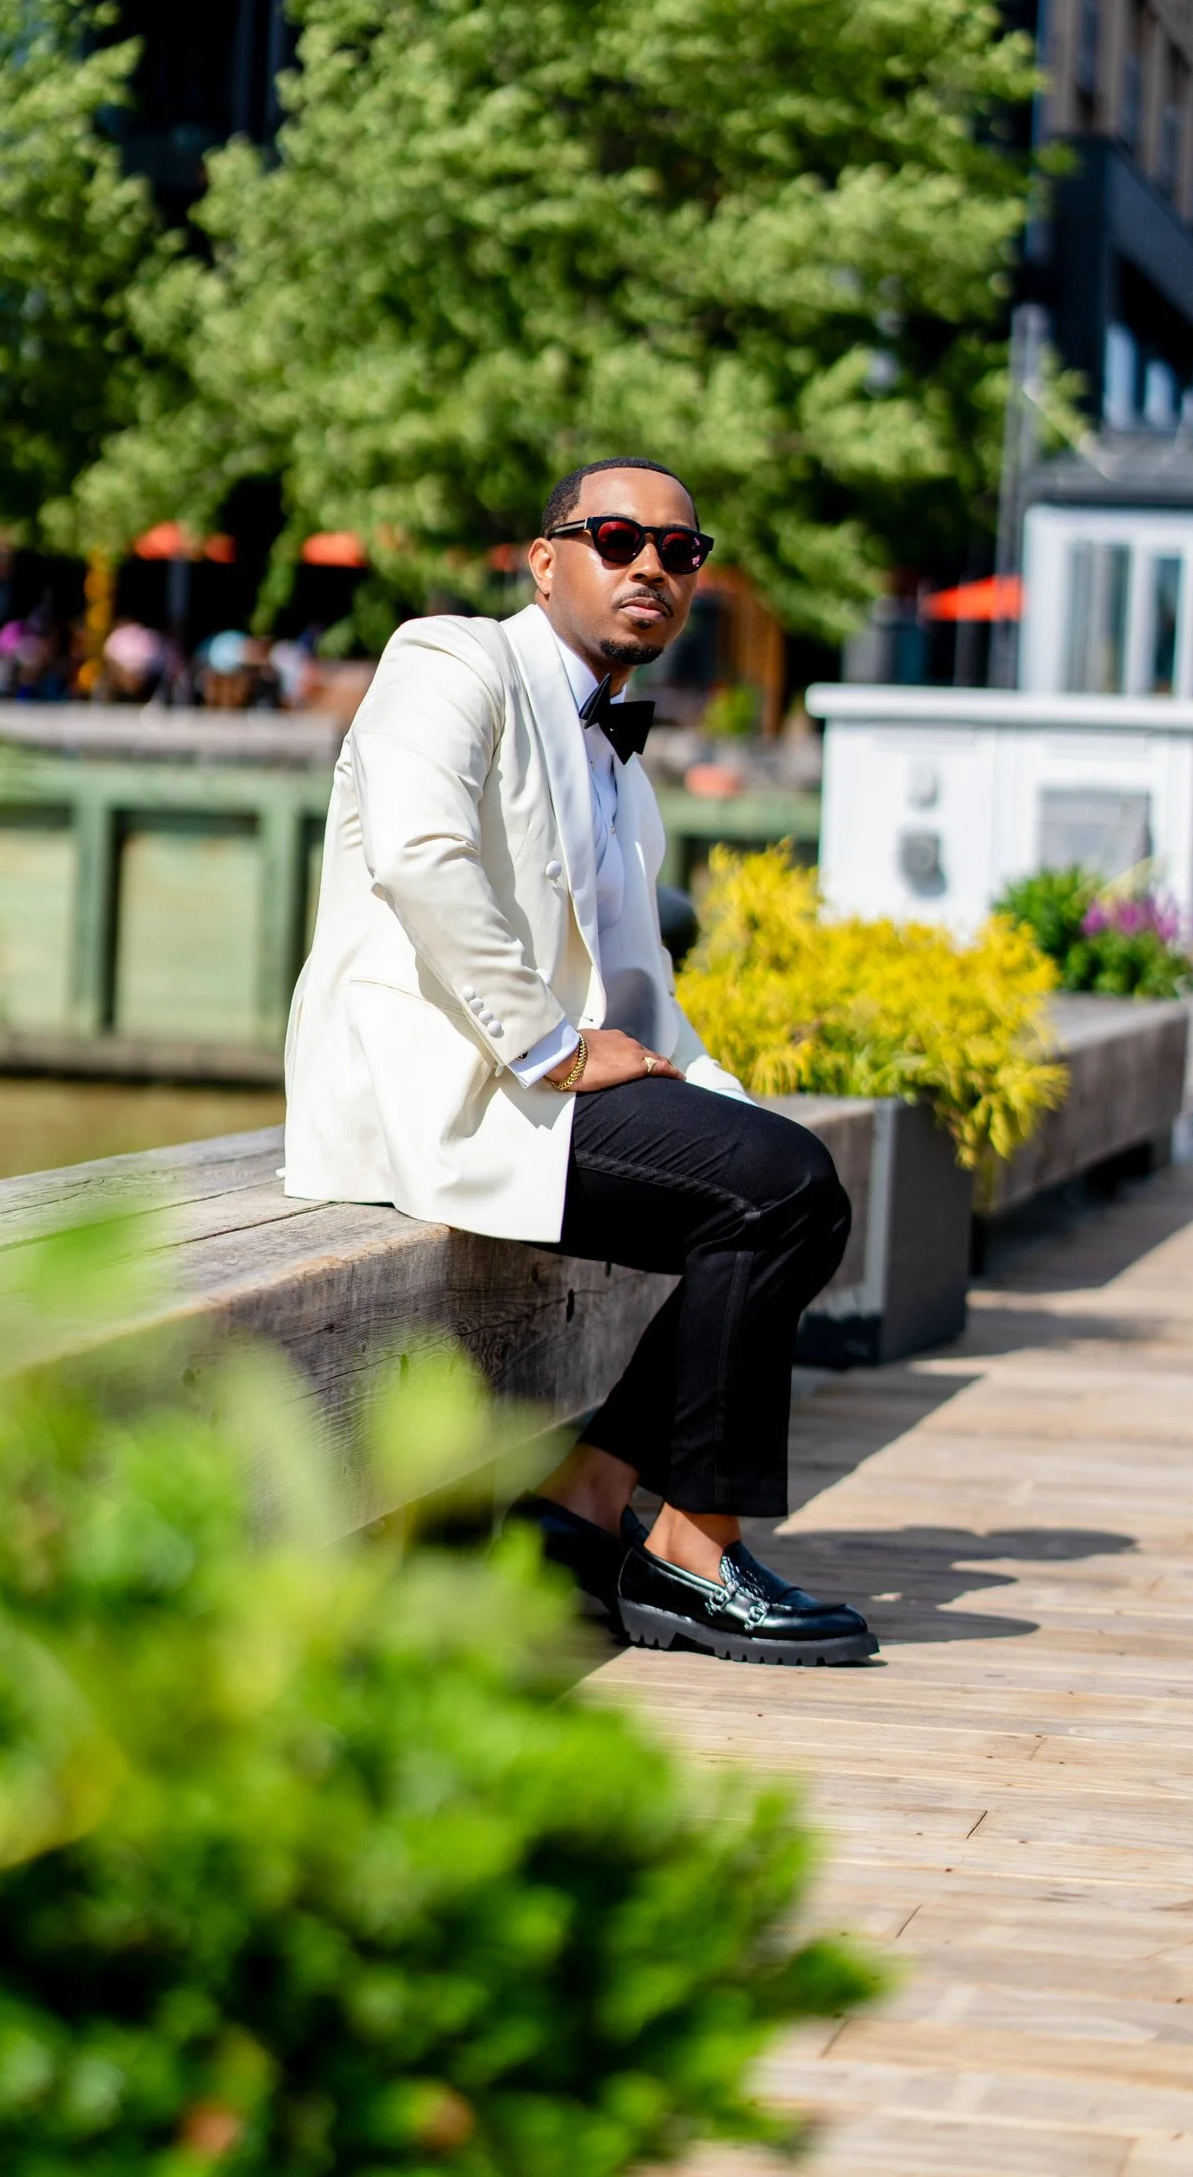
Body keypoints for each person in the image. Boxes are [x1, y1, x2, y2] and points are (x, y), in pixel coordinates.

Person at [284, 458, 877, 1665]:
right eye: (617, 538)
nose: (652, 565)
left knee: (790, 1189)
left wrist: (729, 1115)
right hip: (442, 1089)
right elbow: (419, 856)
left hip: (534, 1093)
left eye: (681, 551)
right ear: (545, 561)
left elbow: (641, 993)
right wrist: (552, 1046)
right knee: (780, 1191)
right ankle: (693, 1551)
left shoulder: (621, 766)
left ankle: (591, 1500)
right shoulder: (450, 661)